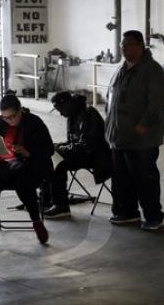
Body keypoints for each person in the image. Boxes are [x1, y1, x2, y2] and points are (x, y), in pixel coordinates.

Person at [105, 30, 164, 231]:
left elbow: (157, 103)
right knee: (122, 178)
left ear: (141, 46)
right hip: (119, 136)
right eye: (122, 45)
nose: (124, 48)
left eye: (129, 44)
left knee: (144, 178)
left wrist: (143, 126)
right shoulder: (121, 69)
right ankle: (127, 212)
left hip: (142, 139)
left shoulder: (151, 70)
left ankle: (152, 216)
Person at [0, 94, 53, 244]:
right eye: (5, 117)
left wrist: (27, 151)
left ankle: (36, 221)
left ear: (20, 111)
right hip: (3, 166)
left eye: (12, 117)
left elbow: (48, 149)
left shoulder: (34, 123)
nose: (9, 120)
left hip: (29, 166)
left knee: (23, 181)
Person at [43, 91, 113, 219]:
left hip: (96, 156)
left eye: (60, 109)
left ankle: (61, 206)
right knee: (48, 158)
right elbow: (72, 143)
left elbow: (88, 145)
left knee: (59, 164)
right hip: (81, 152)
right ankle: (48, 201)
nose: (60, 114)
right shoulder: (72, 114)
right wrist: (58, 146)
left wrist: (62, 149)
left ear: (68, 104)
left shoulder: (89, 114)